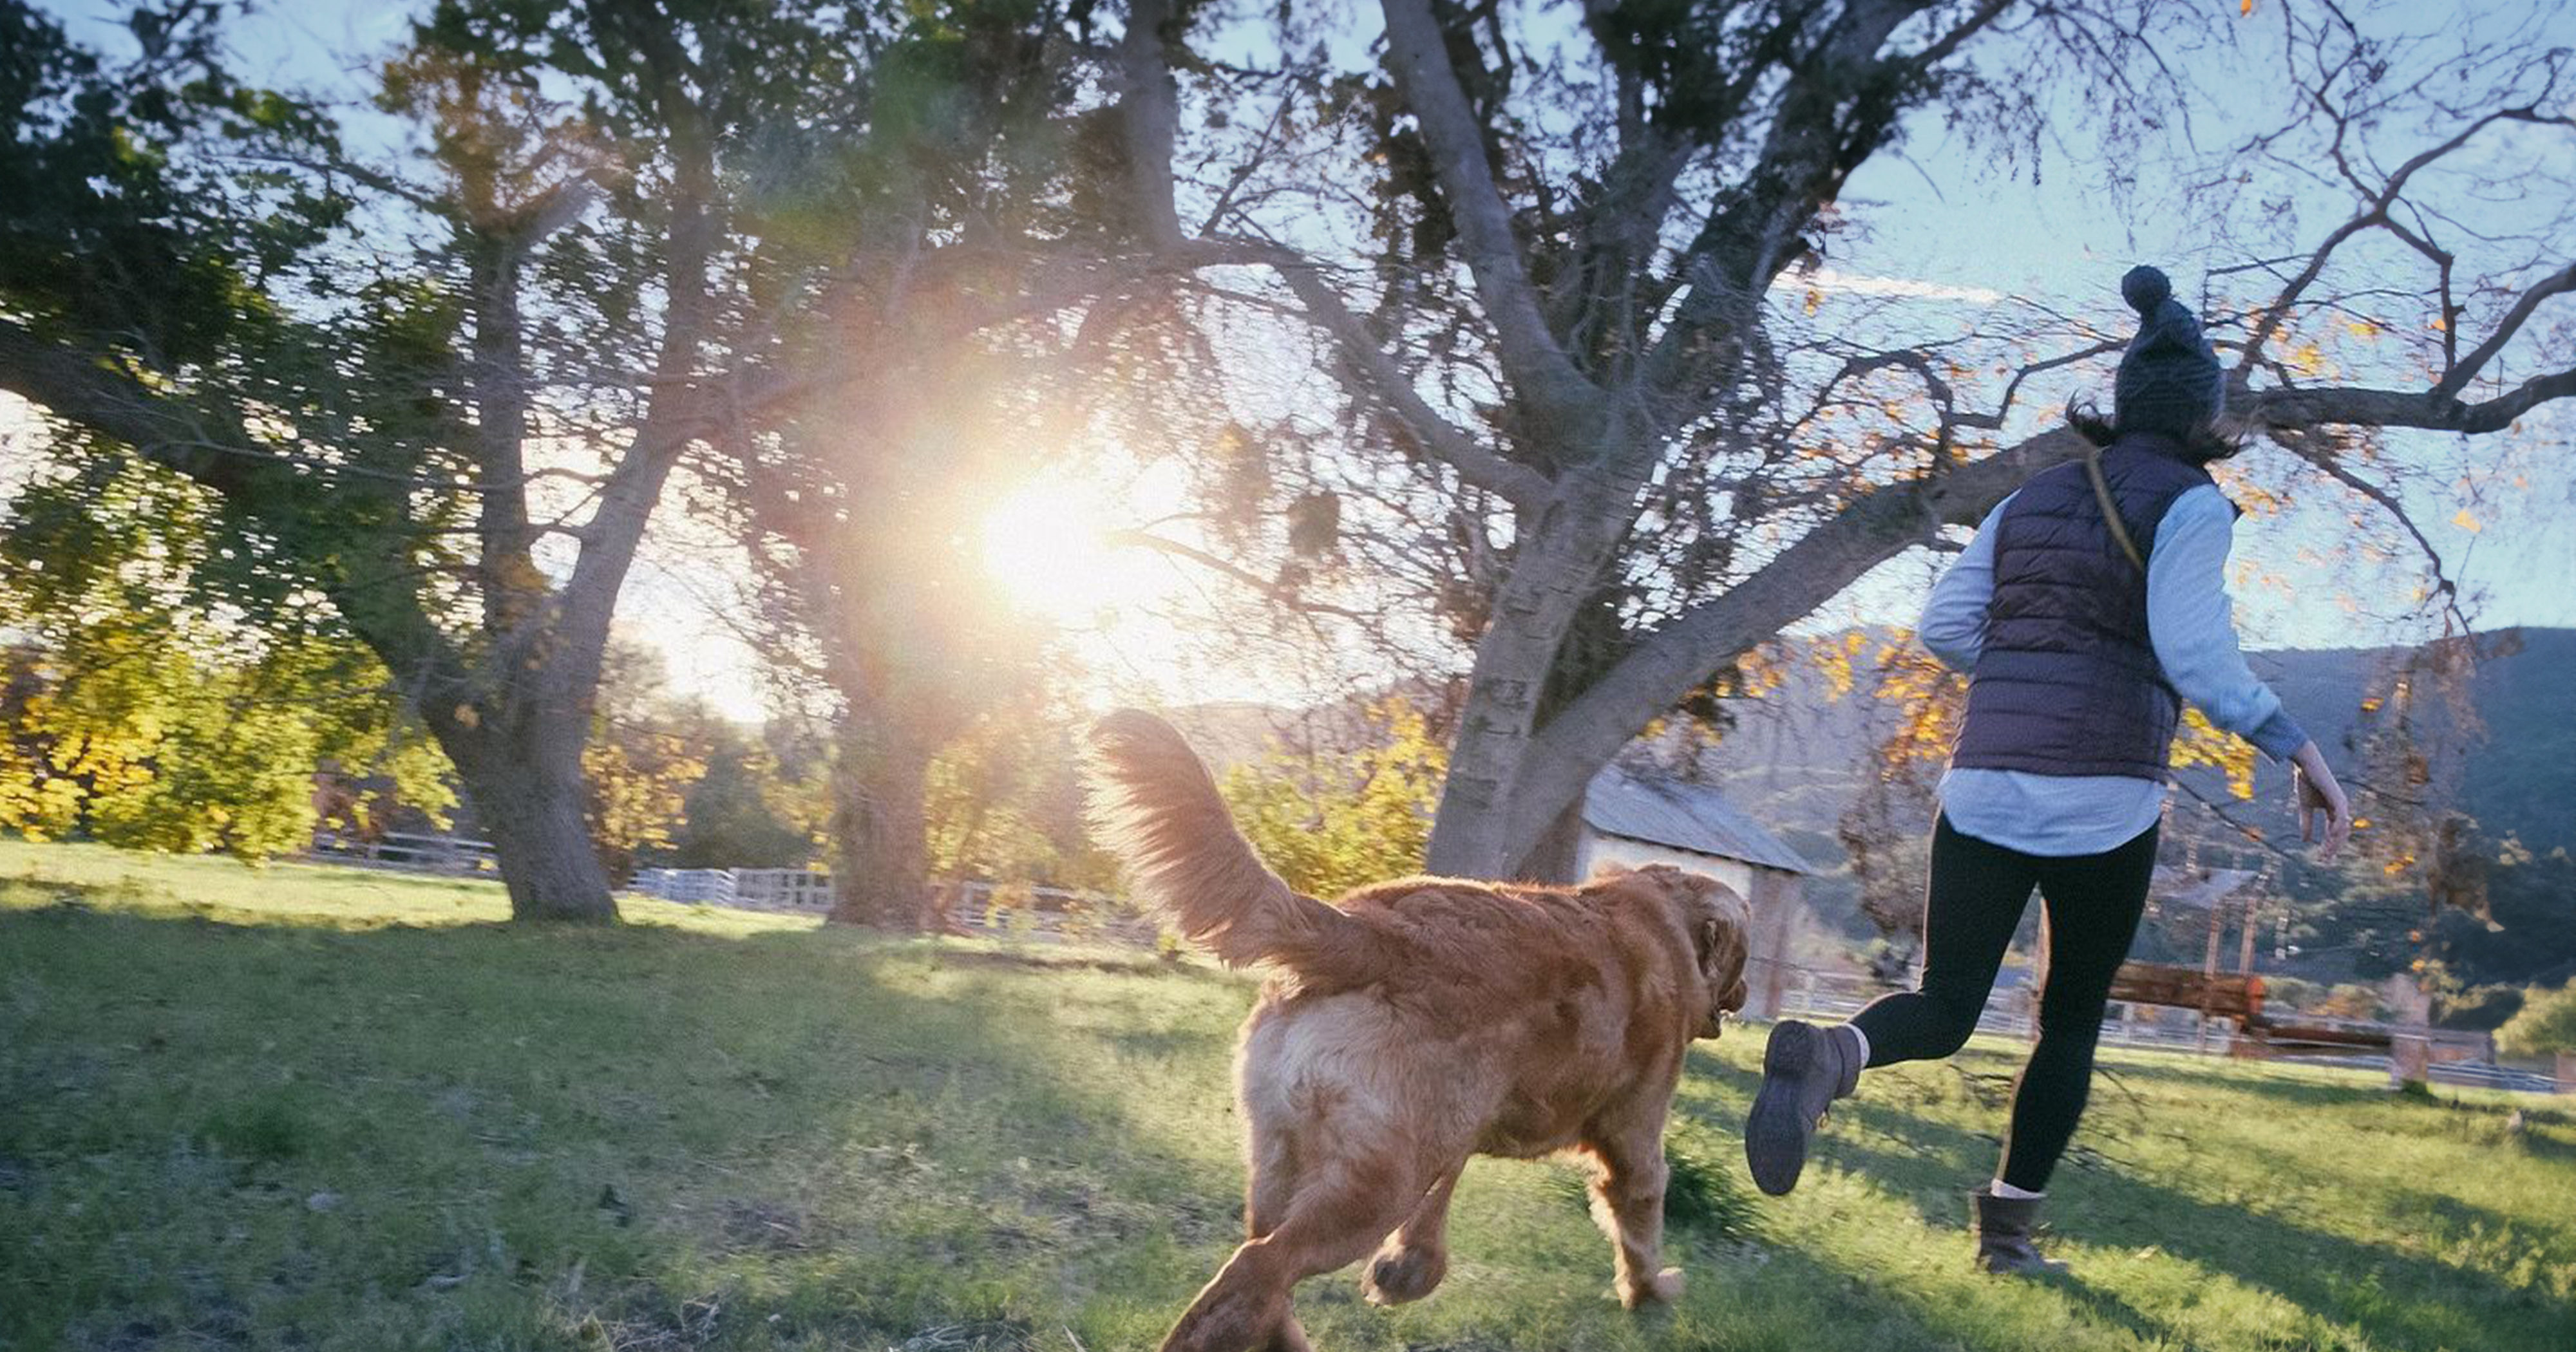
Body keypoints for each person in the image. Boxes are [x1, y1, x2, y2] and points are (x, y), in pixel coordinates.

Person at [1741, 264, 2353, 1276]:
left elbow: (1943, 627)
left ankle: (1832, 1059)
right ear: (2205, 417)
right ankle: (2008, 1241)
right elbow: (2195, 655)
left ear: (2120, 405)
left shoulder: (2036, 493)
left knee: (1944, 1008)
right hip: (2103, 800)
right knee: (2067, 1023)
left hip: (1983, 783)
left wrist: (2030, 669)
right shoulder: (2194, 506)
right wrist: (2300, 748)